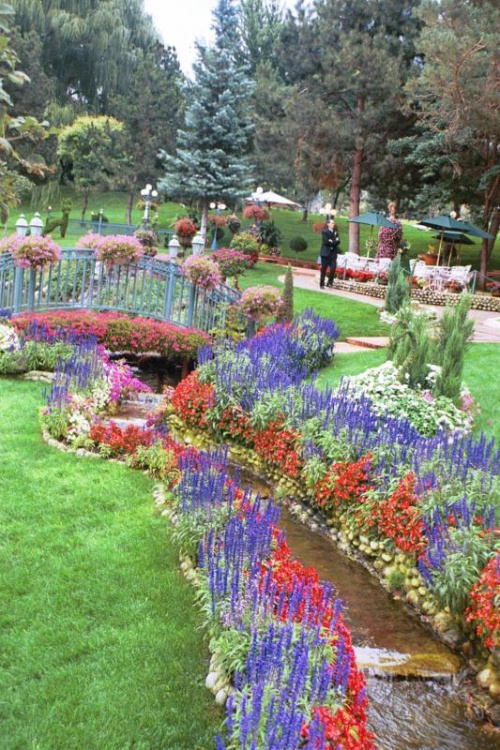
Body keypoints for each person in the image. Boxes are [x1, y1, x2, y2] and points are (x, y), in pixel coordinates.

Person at [319, 219, 340, 288]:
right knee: (324, 269)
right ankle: (322, 284)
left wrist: (332, 241)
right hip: (325, 253)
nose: (333, 224)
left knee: (333, 268)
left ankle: (330, 283)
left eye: (333, 223)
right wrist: (334, 241)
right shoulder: (325, 232)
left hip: (333, 254)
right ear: (328, 224)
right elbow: (326, 242)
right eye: (332, 223)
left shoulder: (336, 232)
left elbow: (339, 241)